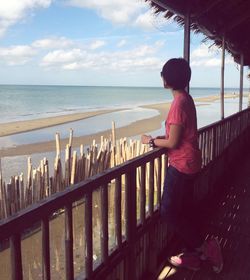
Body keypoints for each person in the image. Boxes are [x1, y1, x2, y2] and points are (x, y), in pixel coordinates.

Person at [141, 58, 223, 272]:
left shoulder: (178, 103)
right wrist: (162, 138)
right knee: (185, 210)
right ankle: (194, 253)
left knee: (168, 211)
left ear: (167, 80)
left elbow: (173, 142)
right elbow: (179, 134)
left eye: (163, 74)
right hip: (191, 162)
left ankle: (206, 248)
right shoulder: (187, 98)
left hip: (181, 165)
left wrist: (150, 140)